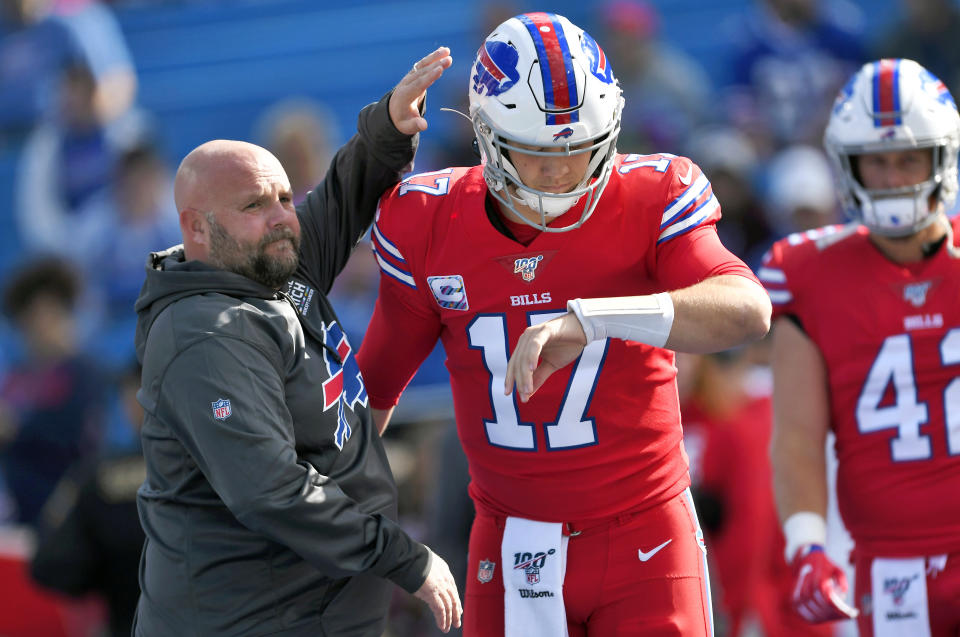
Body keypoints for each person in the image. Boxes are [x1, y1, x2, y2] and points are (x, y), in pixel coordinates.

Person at [356, 12, 772, 637]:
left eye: (576, 152)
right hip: (508, 538)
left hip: (646, 536)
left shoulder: (651, 196)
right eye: (535, 152)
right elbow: (373, 395)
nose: (558, 174)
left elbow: (747, 308)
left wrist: (594, 320)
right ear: (489, 136)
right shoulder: (427, 222)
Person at [132, 47, 462, 636]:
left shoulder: (271, 268)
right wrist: (405, 559)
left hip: (320, 611)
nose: (283, 216)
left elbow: (340, 196)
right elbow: (271, 490)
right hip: (250, 621)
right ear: (197, 228)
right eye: (255, 204)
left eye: (285, 197)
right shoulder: (207, 333)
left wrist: (389, 124)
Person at [761, 58, 960, 636]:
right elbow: (797, 434)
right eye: (877, 161)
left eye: (908, 158)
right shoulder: (807, 272)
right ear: (850, 167)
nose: (895, 177)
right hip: (893, 565)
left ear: (941, 157)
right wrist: (807, 545)